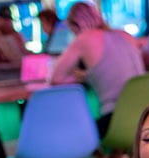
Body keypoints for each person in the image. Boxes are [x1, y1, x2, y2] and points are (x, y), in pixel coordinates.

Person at [51, 1, 144, 137]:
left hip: (116, 120)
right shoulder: (125, 35)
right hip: (147, 116)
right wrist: (89, 75)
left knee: (71, 134)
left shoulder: (85, 38)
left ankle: (105, 155)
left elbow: (55, 78)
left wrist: (81, 77)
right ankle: (116, 155)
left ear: (75, 25)